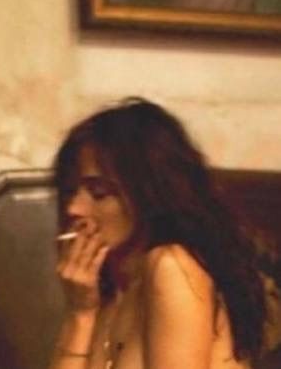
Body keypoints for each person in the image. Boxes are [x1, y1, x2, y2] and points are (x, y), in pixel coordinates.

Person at [48, 97, 267, 369]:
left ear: (147, 195)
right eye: (70, 191)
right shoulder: (110, 285)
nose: (73, 208)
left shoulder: (170, 266)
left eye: (99, 192)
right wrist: (81, 312)